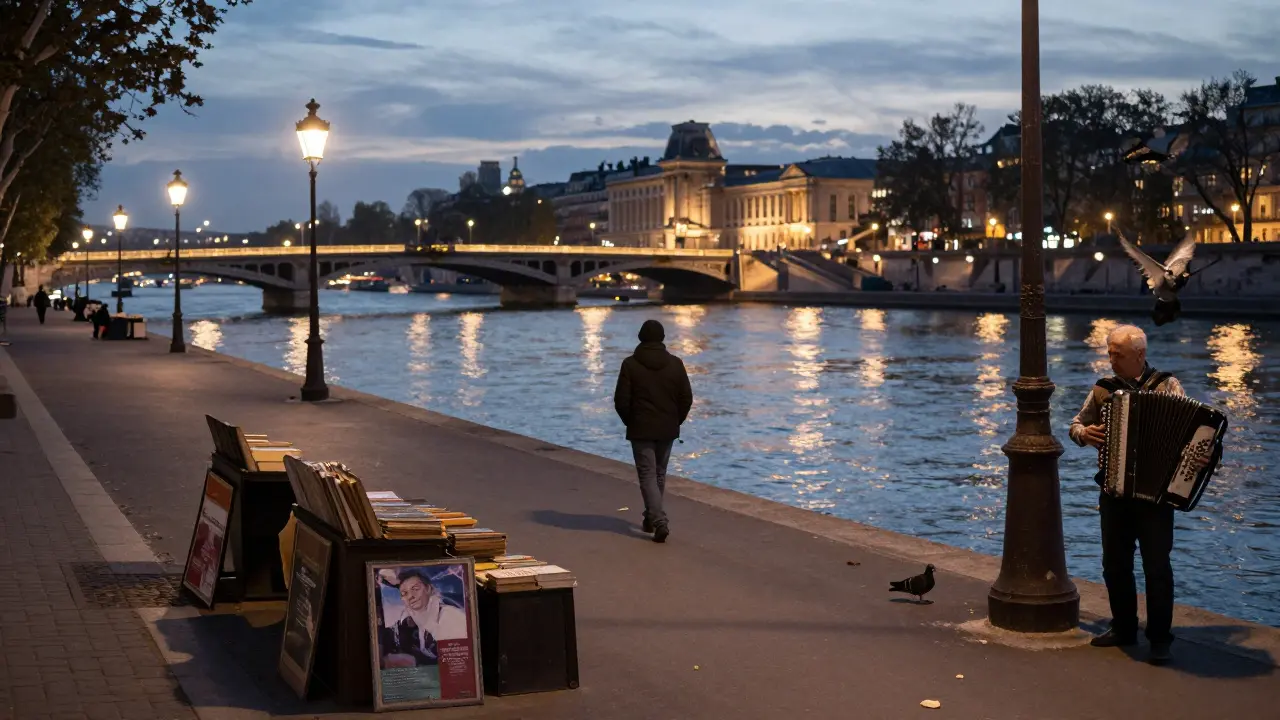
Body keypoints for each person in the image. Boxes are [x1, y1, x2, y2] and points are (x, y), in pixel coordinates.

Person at [1069, 324, 1194, 666]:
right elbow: (1076, 424)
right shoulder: (1103, 390)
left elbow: (1189, 430)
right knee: (1115, 564)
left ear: (1139, 354)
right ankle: (1123, 627)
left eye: (1117, 355)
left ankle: (1159, 640)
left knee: (1157, 567)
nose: (1111, 361)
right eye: (1109, 353)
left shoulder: (1168, 385)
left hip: (1155, 497)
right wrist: (1085, 434)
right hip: (1114, 490)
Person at [613, 319, 693, 543]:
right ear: (662, 338)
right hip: (667, 428)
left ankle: (659, 521)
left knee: (647, 474)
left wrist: (632, 421)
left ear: (640, 337)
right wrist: (676, 420)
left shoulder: (630, 364)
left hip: (641, 427)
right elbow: (686, 397)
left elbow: (621, 400)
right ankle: (651, 517)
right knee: (658, 473)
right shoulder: (676, 364)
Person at [378, 568, 468, 668]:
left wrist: (416, 662)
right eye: (404, 593)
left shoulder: (452, 618)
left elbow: (459, 667)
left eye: (415, 589)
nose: (410, 596)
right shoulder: (420, 620)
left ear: (429, 589)